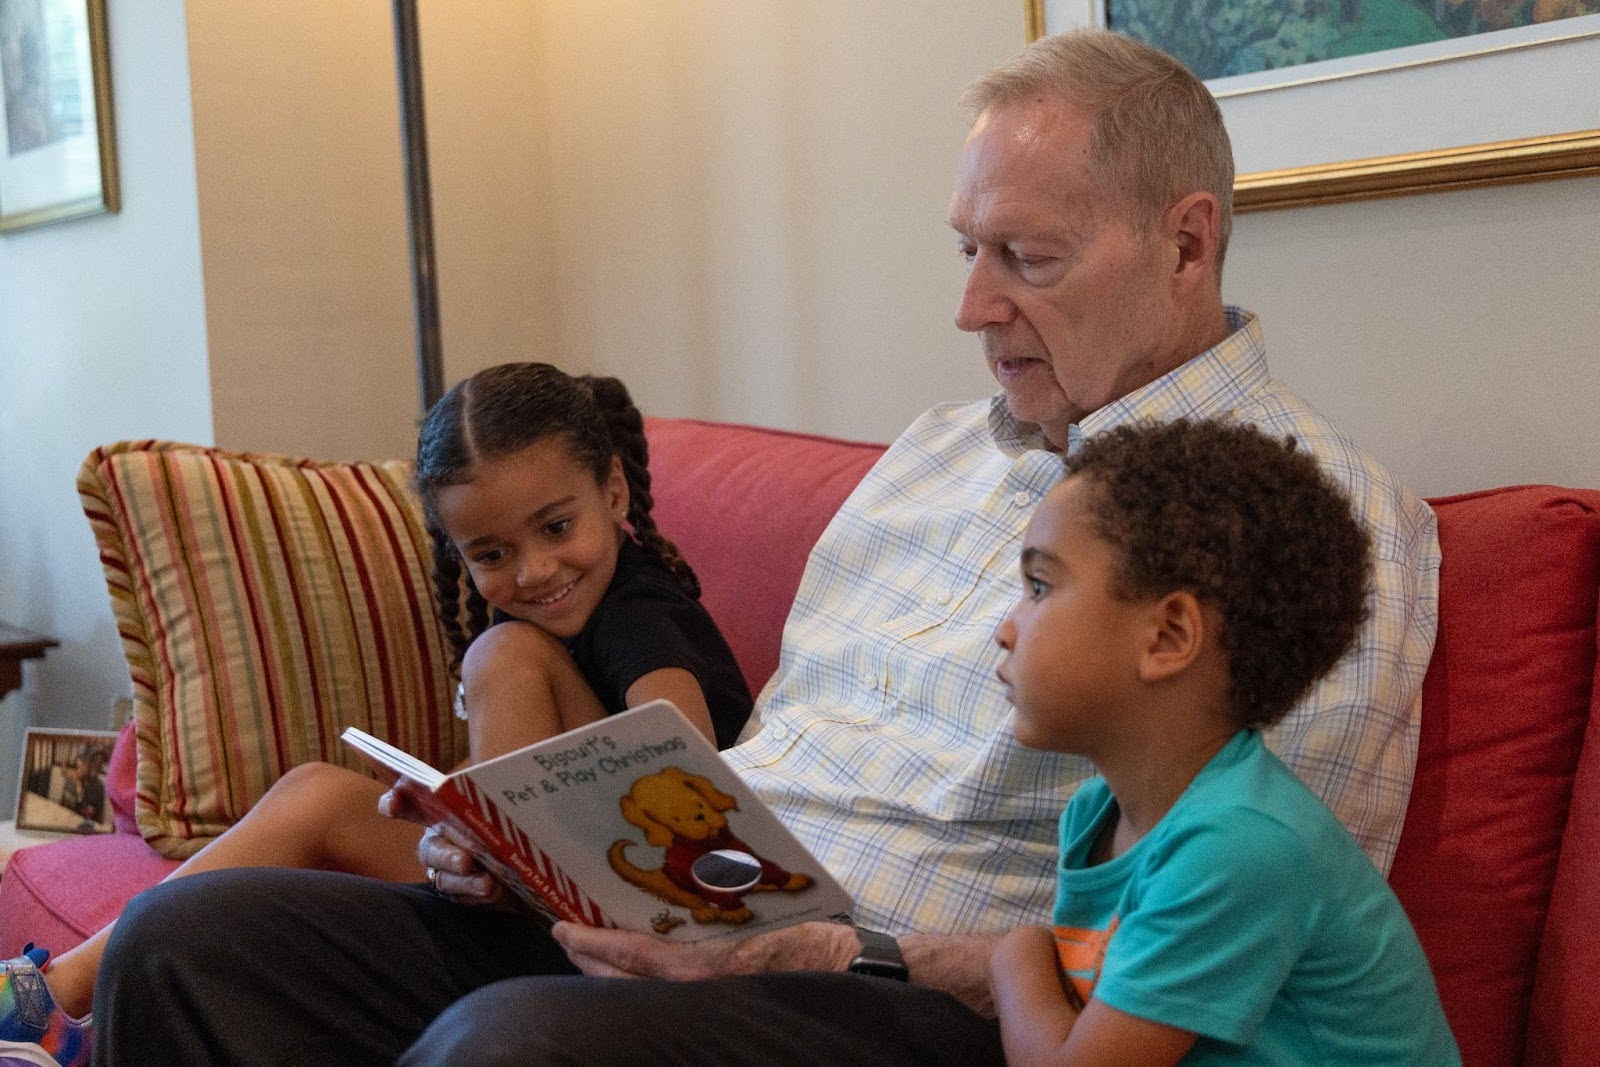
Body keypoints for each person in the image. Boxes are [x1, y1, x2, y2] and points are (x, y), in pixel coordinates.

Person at [88, 29, 1440, 1066]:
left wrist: (824, 949)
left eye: (1025, 256)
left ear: (1186, 242)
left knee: (518, 1044)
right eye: (968, 249)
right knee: (194, 941)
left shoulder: (1324, 517)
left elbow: (1222, 921)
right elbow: (756, 763)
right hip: (705, 919)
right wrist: (558, 852)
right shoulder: (930, 453)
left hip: (914, 1001)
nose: (974, 306)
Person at [0, 364, 750, 1067]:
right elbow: (540, 756)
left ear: (613, 491)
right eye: (490, 551)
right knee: (318, 793)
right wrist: (454, 818)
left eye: (556, 528)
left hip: (628, 912)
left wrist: (497, 831)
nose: (532, 571)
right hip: (541, 883)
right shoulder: (556, 611)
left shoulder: (642, 616)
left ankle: (45, 1002)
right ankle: (48, 997)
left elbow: (677, 765)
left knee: (503, 652)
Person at [988, 419, 1459, 1065]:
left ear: (1169, 636)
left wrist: (1015, 953)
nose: (1005, 629)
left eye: (1039, 586)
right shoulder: (1095, 816)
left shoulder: (1239, 843)